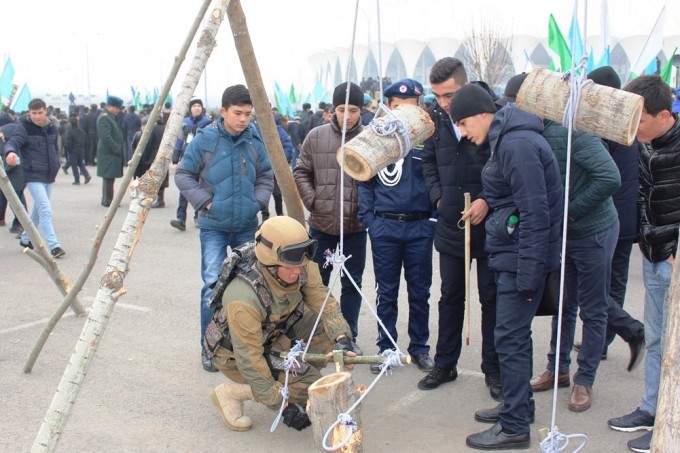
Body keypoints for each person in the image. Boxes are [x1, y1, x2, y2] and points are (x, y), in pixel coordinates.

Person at [448, 83, 563, 451]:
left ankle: (514, 426)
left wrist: (529, 275)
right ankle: (519, 407)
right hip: (512, 255)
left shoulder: (516, 144)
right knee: (512, 338)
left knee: (509, 341)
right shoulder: (508, 139)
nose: (464, 133)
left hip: (519, 260)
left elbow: (535, 212)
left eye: (464, 123)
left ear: (484, 114)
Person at [524, 71, 621, 413]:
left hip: (593, 231)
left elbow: (610, 177)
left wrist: (572, 213)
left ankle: (584, 380)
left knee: (593, 309)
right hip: (565, 233)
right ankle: (557, 369)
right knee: (562, 304)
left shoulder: (575, 131)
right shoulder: (535, 132)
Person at [205, 216, 355, 432]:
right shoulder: (243, 298)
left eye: (301, 266)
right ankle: (232, 393)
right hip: (234, 356)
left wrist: (342, 339)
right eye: (290, 268)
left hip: (274, 333)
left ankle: (294, 376)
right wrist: (282, 405)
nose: (298, 272)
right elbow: (249, 358)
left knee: (323, 328)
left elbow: (323, 303)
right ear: (271, 264)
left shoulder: (299, 264)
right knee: (310, 387)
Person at [418, 57, 502, 401]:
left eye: (449, 95)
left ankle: (493, 370)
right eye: (437, 96)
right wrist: (438, 197)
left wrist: (486, 200)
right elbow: (427, 162)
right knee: (450, 296)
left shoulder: (490, 114)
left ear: (465, 84)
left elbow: (503, 165)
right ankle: (445, 362)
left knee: (491, 299)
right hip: (451, 226)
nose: (444, 104)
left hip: (489, 226)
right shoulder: (435, 119)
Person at [175, 84, 274, 372]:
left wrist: (257, 203)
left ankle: (251, 348)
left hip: (246, 225)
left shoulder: (254, 139)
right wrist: (205, 202)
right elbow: (183, 174)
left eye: (248, 114)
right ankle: (210, 348)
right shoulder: (205, 140)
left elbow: (266, 175)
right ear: (223, 111)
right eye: (238, 113)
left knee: (254, 287)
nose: (244, 119)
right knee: (212, 287)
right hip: (214, 227)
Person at [608, 75, 680, 453]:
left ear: (666, 115)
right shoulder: (646, 145)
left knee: (676, 348)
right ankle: (652, 408)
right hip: (653, 257)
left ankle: (672, 420)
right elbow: (642, 194)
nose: (634, 129)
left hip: (674, 261)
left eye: (641, 121)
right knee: (656, 339)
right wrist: (646, 238)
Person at [357, 78, 435, 373]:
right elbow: (363, 179)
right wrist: (370, 220)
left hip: (419, 227)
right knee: (386, 292)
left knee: (420, 291)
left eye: (412, 105)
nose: (405, 110)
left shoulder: (426, 136)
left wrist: (432, 221)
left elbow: (435, 177)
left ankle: (420, 348)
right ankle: (387, 348)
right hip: (385, 228)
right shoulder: (377, 136)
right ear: (389, 106)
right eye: (399, 106)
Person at [573, 67, 645, 372]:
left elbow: (602, 176)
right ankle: (600, 343)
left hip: (606, 218)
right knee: (612, 285)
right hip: (628, 217)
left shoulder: (603, 124)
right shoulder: (628, 121)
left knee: (589, 289)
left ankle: (631, 330)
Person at [294, 81, 366, 350]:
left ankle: (348, 337)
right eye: (341, 109)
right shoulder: (316, 136)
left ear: (362, 110)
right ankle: (318, 334)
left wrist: (364, 209)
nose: (347, 116)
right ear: (333, 109)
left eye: (354, 110)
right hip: (322, 226)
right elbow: (301, 171)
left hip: (356, 227)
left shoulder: (369, 139)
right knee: (317, 282)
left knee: (352, 284)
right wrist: (314, 201)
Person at [4, 98, 67, 258]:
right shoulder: (24, 127)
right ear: (29, 112)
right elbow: (13, 142)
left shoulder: (52, 127)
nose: (37, 116)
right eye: (33, 113)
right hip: (32, 174)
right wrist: (10, 152)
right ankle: (54, 245)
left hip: (49, 174)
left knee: (38, 210)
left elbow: (55, 148)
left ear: (45, 111)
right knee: (45, 209)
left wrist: (57, 164)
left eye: (39, 113)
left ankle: (26, 239)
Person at [170, 97, 213, 231]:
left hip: (202, 160)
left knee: (200, 189)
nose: (196, 108)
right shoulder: (185, 123)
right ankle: (181, 219)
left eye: (199, 106)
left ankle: (198, 216)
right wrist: (175, 160)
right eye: (194, 106)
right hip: (187, 160)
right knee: (185, 189)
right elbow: (179, 142)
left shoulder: (208, 123)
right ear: (190, 109)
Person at [0, 113, 27, 235]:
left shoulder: (3, 133)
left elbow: (4, 152)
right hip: (21, 168)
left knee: (12, 198)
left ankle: (20, 224)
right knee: (18, 197)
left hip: (10, 169)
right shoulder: (19, 128)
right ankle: (21, 223)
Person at [96, 96, 125, 207]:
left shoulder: (110, 116)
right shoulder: (104, 118)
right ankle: (108, 200)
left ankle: (107, 199)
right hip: (109, 153)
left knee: (109, 177)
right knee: (108, 177)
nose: (118, 110)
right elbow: (106, 137)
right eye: (117, 108)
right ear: (110, 106)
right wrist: (117, 149)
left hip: (110, 153)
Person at [63, 116, 92, 185]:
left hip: (73, 150)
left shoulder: (70, 132)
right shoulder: (81, 130)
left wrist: (69, 150)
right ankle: (86, 175)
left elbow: (69, 143)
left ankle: (77, 180)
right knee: (81, 164)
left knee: (74, 166)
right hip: (81, 149)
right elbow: (85, 140)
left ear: (70, 123)